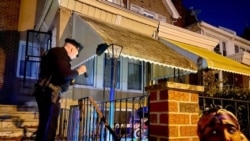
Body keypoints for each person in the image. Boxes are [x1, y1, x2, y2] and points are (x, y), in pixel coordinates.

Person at [33, 38, 87, 141]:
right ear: (72, 49)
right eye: (76, 54)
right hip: (49, 94)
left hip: (47, 92)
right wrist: (79, 71)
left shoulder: (55, 53)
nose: (75, 57)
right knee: (50, 126)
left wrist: (68, 82)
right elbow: (65, 74)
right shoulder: (60, 53)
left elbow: (59, 75)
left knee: (45, 125)